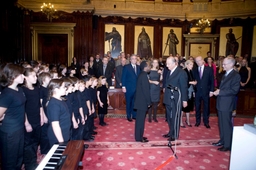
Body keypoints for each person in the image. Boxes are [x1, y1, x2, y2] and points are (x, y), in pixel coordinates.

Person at [212, 56, 241, 151]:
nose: (222, 66)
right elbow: (224, 88)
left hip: (227, 104)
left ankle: (227, 145)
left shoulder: (236, 75)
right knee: (221, 124)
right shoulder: (225, 74)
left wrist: (220, 92)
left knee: (226, 124)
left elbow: (234, 90)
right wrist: (217, 91)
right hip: (221, 103)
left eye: (224, 64)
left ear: (231, 64)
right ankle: (222, 140)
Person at [0, 64, 25, 170]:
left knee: (19, 158)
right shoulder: (7, 94)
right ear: (13, 76)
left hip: (19, 129)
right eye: (21, 75)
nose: (23, 77)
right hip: (10, 132)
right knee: (10, 161)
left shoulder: (19, 90)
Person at [163, 57, 188, 141]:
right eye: (166, 63)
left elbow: (184, 87)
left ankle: (175, 134)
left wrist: (184, 100)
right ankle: (171, 132)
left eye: (168, 64)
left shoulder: (181, 73)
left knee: (175, 117)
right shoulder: (169, 71)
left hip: (176, 99)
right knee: (169, 117)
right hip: (168, 98)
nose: (167, 65)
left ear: (175, 63)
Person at [22, 68, 42, 170]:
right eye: (33, 76)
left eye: (36, 76)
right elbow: (23, 108)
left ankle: (32, 161)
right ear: (25, 77)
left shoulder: (36, 89)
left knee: (35, 141)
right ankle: (29, 165)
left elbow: (39, 105)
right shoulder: (22, 90)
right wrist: (26, 123)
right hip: (28, 120)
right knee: (28, 144)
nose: (36, 78)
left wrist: (41, 117)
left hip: (37, 119)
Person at [47, 79, 71, 147]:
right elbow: (55, 125)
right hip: (58, 137)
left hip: (64, 132)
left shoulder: (60, 100)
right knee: (59, 155)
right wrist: (61, 142)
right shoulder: (54, 104)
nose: (65, 88)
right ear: (56, 89)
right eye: (63, 87)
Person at [193, 56, 214, 128]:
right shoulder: (195, 70)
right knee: (197, 107)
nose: (198, 62)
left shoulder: (209, 69)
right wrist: (193, 91)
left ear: (202, 61)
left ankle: (206, 122)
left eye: (199, 60)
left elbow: (212, 81)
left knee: (206, 107)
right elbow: (193, 81)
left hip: (206, 91)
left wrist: (211, 90)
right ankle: (197, 121)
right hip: (197, 91)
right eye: (197, 61)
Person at [134, 61, 151, 143]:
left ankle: (139, 136)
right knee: (140, 121)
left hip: (140, 101)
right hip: (142, 102)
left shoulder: (142, 74)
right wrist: (149, 102)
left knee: (140, 120)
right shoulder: (144, 75)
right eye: (149, 65)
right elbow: (146, 90)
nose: (150, 67)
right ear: (145, 67)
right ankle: (139, 138)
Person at [121, 54, 141, 122]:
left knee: (135, 103)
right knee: (129, 103)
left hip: (137, 89)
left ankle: (134, 115)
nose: (134, 60)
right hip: (128, 88)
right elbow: (123, 77)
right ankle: (129, 116)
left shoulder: (139, 67)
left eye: (135, 58)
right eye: (133, 58)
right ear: (130, 60)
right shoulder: (126, 67)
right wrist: (123, 86)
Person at [38, 72, 52, 155]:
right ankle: (44, 150)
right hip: (44, 113)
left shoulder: (47, 89)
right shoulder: (41, 90)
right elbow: (40, 104)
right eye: (48, 78)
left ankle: (48, 147)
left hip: (48, 112)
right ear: (43, 80)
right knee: (44, 133)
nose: (50, 79)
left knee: (48, 131)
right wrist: (43, 116)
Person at [181, 60, 197, 128]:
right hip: (185, 91)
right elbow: (183, 81)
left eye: (192, 65)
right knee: (183, 107)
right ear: (187, 65)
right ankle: (180, 121)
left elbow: (192, 79)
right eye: (190, 64)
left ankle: (188, 120)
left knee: (189, 106)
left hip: (191, 90)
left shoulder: (191, 71)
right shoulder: (183, 71)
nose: (192, 66)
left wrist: (194, 82)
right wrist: (191, 82)